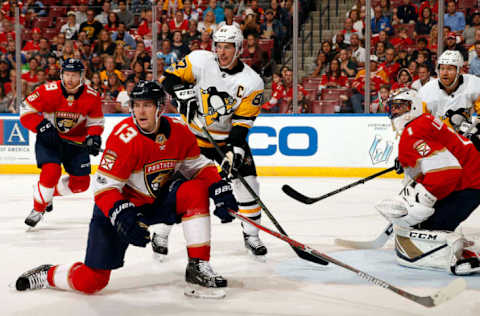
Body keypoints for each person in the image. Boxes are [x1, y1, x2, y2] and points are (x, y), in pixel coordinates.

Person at [14, 81, 238, 298]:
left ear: (160, 107)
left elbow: (198, 166)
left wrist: (219, 187)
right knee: (92, 281)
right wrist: (124, 216)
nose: (141, 111)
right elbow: (104, 189)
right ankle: (48, 274)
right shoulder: (124, 137)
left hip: (156, 202)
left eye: (147, 105)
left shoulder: (179, 131)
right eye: (137, 104)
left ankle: (199, 266)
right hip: (120, 207)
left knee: (196, 190)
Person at [154, 25, 268, 260]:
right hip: (193, 139)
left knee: (248, 184)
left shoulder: (252, 82)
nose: (222, 52)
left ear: (238, 49)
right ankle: (161, 234)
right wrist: (180, 91)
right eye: (218, 46)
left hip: (226, 140)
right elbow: (167, 78)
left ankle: (252, 235)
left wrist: (234, 150)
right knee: (178, 190)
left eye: (227, 47)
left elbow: (242, 122)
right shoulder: (199, 60)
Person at [376, 88, 480, 275]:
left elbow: (447, 172)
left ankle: (462, 257)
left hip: (469, 184)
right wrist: (412, 162)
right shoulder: (424, 122)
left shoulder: (413, 131)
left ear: (414, 107)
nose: (396, 112)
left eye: (401, 107)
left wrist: (423, 201)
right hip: (471, 179)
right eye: (394, 107)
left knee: (422, 229)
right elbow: (442, 152)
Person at [19, 58, 104, 228]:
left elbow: (95, 123)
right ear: (61, 74)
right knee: (51, 171)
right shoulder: (47, 90)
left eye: (74, 75)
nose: (70, 79)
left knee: (81, 184)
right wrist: (41, 126)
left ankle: (46, 193)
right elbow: (25, 110)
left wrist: (94, 138)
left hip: (76, 144)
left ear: (82, 76)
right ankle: (38, 209)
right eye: (66, 74)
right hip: (50, 142)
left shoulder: (92, 96)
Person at [418, 50, 480, 131]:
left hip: (467, 137)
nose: (445, 73)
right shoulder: (425, 91)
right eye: (442, 68)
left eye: (450, 69)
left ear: (459, 71)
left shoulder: (474, 83)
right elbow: (419, 123)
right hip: (438, 137)